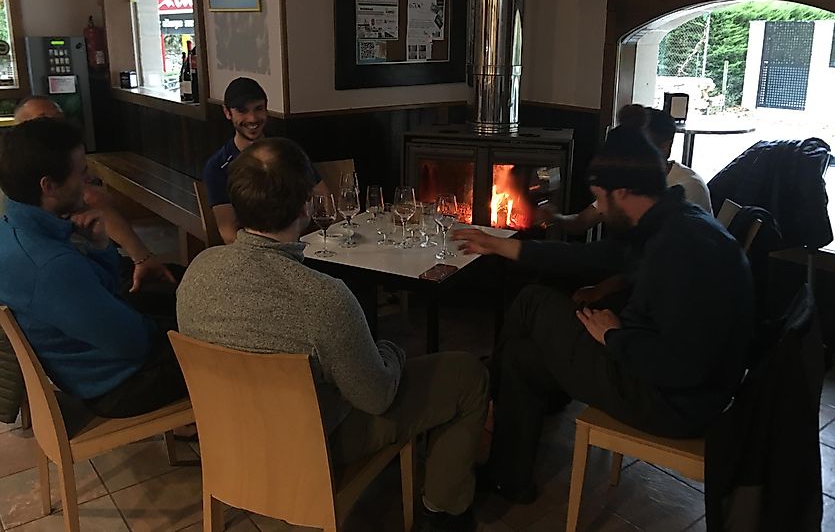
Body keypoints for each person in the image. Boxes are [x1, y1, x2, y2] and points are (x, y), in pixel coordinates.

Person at [179, 138, 488, 530]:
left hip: (229, 438)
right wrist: (391, 350)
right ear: (306, 205)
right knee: (466, 376)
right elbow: (377, 397)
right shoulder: (323, 299)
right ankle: (443, 510)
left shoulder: (196, 273)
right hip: (313, 444)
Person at [453, 114, 753, 503]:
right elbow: (592, 257)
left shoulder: (680, 250)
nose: (597, 206)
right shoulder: (669, 222)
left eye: (600, 197)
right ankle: (508, 478)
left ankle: (482, 401)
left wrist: (614, 337)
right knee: (522, 358)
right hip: (661, 375)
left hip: (672, 400)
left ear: (625, 192)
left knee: (531, 301)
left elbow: (685, 365)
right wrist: (501, 246)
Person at [0, 118, 187, 418]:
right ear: (49, 186)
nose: (89, 183)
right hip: (118, 385)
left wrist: (99, 248)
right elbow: (135, 343)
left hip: (86, 364)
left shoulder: (12, 229)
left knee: (176, 287)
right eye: (82, 174)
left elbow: (103, 293)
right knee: (227, 342)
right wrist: (176, 327)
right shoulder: (49, 266)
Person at [7, 96, 176, 295]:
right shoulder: (52, 261)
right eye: (45, 121)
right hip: (81, 275)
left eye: (59, 119)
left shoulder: (17, 185)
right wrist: (142, 258)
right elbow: (94, 198)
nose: (56, 127)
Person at [542, 104, 712, 236]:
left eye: (640, 145)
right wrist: (553, 218)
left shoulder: (687, 189)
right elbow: (581, 222)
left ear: (666, 147)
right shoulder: (628, 179)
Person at [203, 78, 328, 244]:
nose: (252, 118)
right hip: (251, 254)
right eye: (242, 111)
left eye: (258, 109)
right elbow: (228, 233)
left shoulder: (287, 151)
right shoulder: (217, 166)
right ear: (227, 112)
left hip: (301, 245)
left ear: (266, 108)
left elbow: (323, 197)